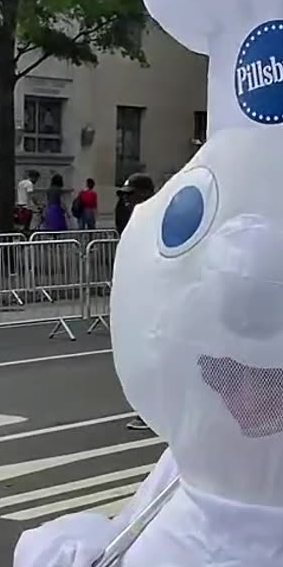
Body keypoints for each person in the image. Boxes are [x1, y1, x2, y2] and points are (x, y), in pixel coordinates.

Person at [116, 173, 157, 432]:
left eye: (132, 195)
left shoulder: (159, 217)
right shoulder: (132, 216)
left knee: (155, 359)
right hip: (141, 298)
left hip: (158, 299)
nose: (127, 200)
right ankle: (147, 410)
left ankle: (151, 412)